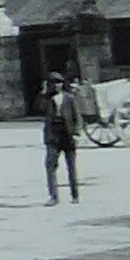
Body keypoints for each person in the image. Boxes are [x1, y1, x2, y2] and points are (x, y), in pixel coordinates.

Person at [42, 71, 82, 205]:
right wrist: (44, 93)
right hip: (53, 136)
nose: (56, 86)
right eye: (52, 84)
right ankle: (53, 196)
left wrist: (76, 133)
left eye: (58, 83)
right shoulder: (46, 99)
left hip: (68, 134)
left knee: (71, 167)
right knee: (50, 166)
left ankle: (75, 195)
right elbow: (37, 107)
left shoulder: (69, 98)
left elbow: (77, 117)